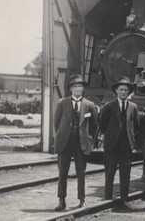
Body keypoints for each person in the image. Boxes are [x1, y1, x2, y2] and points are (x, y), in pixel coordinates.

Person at [53, 74, 98, 211]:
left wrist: (88, 139)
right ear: (71, 89)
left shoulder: (90, 105)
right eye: (76, 86)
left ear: (83, 89)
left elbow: (94, 126)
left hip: (81, 143)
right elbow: (57, 122)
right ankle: (62, 200)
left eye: (81, 87)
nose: (78, 89)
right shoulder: (62, 103)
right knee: (62, 173)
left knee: (81, 173)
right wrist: (62, 135)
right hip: (65, 142)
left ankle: (82, 200)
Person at [99, 76, 141, 210]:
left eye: (126, 90)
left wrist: (132, 141)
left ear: (129, 92)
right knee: (109, 172)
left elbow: (137, 126)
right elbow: (102, 124)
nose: (123, 92)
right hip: (112, 145)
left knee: (125, 173)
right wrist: (111, 136)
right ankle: (107, 199)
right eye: (121, 89)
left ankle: (124, 200)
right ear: (116, 91)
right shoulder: (109, 106)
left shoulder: (133, 107)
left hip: (126, 145)